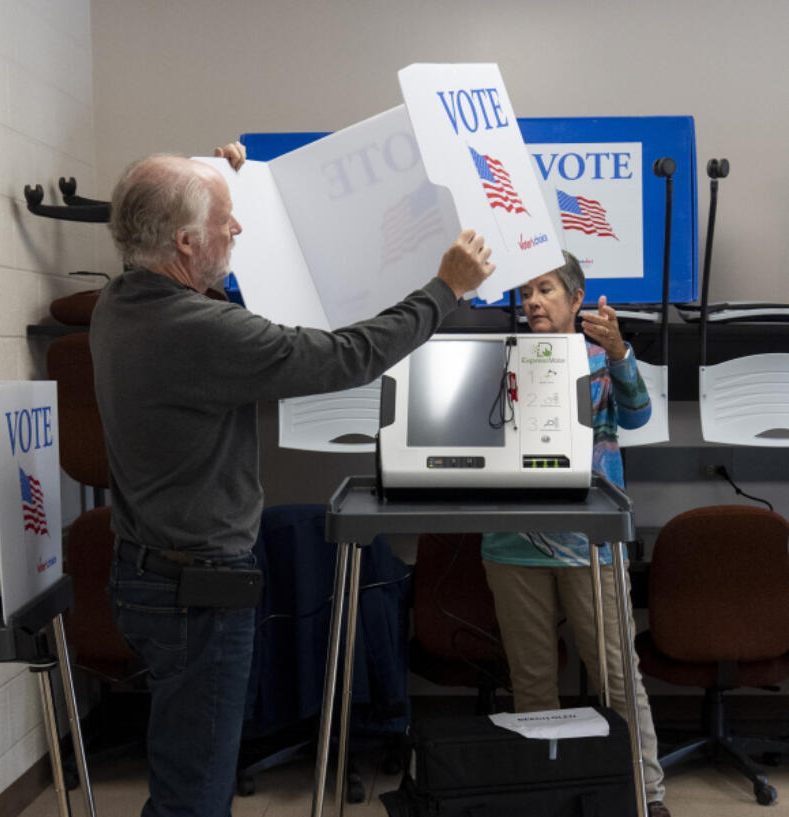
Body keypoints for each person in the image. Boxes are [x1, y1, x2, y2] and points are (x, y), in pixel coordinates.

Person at [89, 141, 494, 817]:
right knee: (194, 792)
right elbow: (349, 356)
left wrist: (240, 190)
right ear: (186, 243)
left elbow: (176, 238)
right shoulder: (199, 331)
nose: (236, 230)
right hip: (199, 593)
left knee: (185, 765)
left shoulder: (121, 302)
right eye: (227, 221)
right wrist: (444, 288)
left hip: (147, 576)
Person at [480, 251, 669, 817]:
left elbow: (636, 419)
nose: (532, 301)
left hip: (592, 539)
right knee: (532, 680)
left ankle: (645, 794)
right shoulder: (500, 362)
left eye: (545, 289)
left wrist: (619, 353)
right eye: (525, 293)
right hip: (512, 541)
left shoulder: (602, 360)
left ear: (576, 298)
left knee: (615, 675)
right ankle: (546, 793)